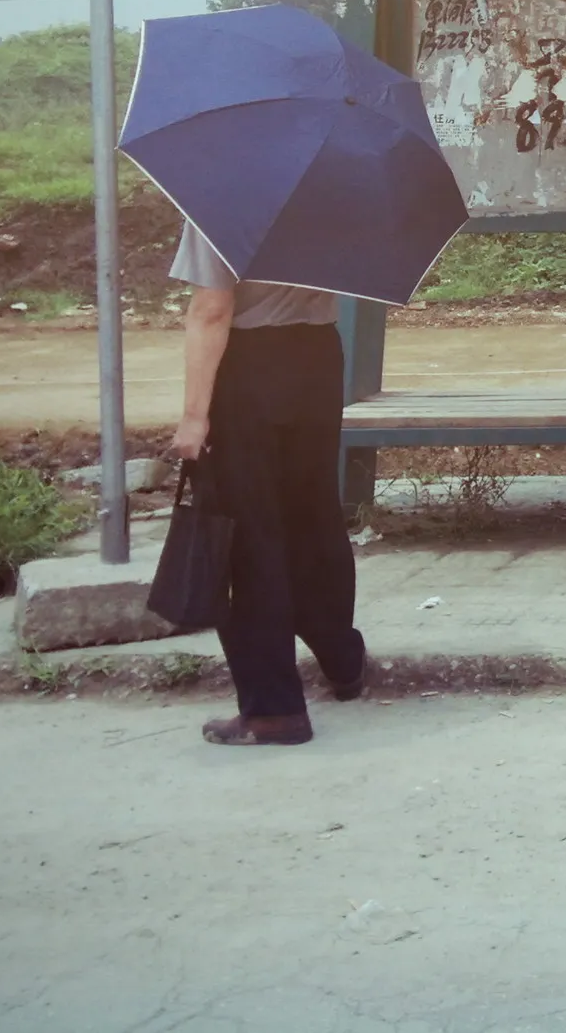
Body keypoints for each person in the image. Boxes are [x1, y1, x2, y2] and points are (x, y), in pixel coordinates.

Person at [168, 218, 367, 745]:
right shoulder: (330, 196)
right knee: (312, 513)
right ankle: (342, 659)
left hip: (249, 368)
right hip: (318, 357)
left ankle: (273, 710)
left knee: (247, 535)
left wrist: (194, 417)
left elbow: (212, 310)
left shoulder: (221, 203)